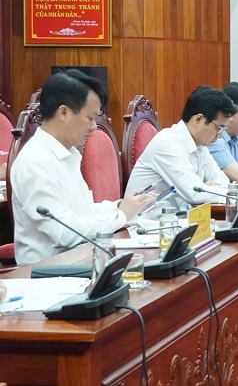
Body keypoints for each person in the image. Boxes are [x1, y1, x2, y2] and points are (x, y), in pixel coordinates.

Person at [10, 71, 156, 264]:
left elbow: (83, 213)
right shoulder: (35, 162)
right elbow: (64, 232)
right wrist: (121, 216)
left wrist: (120, 206)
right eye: (90, 118)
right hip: (50, 272)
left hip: (80, 260)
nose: (94, 127)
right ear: (64, 113)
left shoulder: (66, 154)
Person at [126, 86, 238, 207]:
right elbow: (195, 193)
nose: (220, 135)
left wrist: (207, 189)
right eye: (218, 128)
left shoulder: (200, 145)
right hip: (144, 225)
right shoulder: (168, 143)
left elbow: (222, 181)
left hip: (177, 221)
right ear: (198, 119)